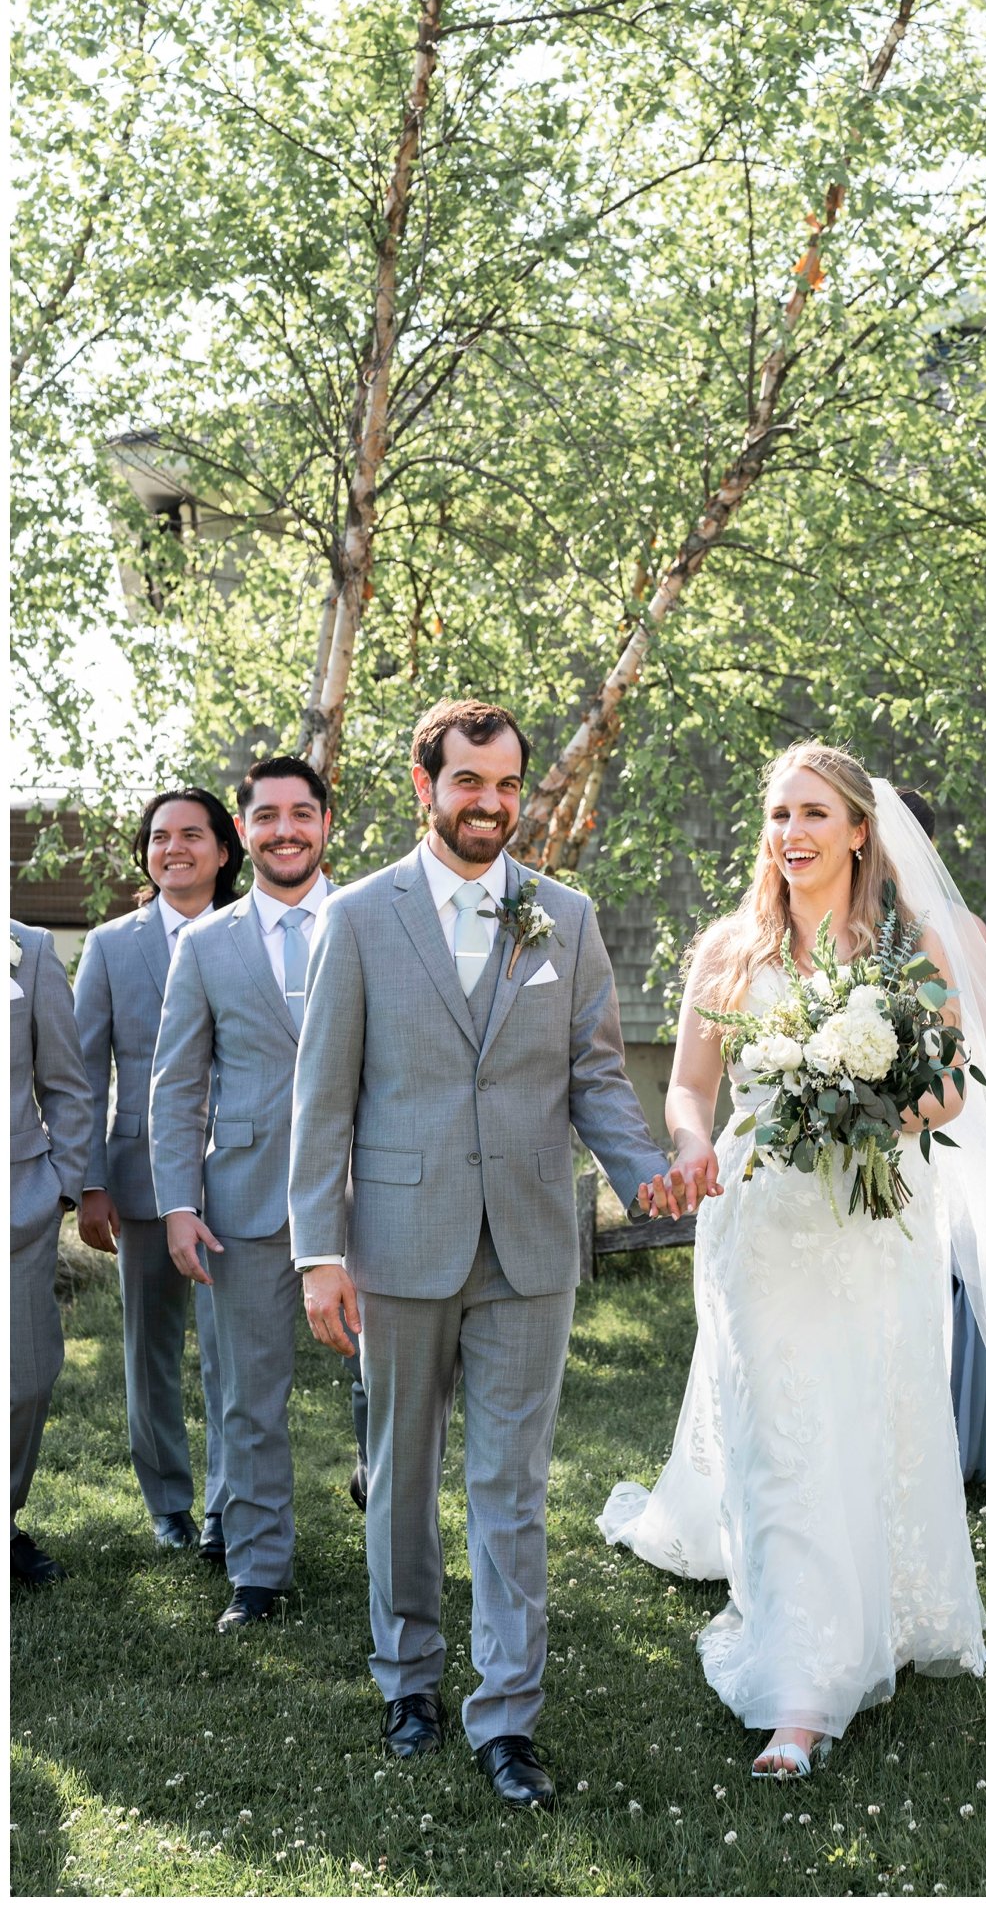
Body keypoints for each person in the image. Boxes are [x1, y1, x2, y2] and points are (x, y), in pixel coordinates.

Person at [600, 743, 986, 1777]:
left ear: (861, 830)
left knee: (869, 1415)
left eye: (814, 815)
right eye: (778, 815)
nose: (792, 835)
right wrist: (692, 1144)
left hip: (878, 1220)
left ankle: (888, 1606)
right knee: (779, 1428)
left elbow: (951, 1090)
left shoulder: (911, 951)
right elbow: (691, 1088)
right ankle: (802, 1682)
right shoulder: (728, 948)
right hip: (758, 1217)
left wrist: (898, 1095)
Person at [288, 699, 663, 1805]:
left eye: (507, 785)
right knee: (403, 1473)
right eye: (468, 783)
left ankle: (507, 1716)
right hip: (399, 1241)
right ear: (425, 785)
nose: (491, 805)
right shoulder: (358, 918)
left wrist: (644, 1174)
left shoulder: (567, 918)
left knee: (513, 1483)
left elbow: (595, 1076)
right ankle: (408, 1677)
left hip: (534, 1241)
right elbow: (324, 1102)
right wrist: (319, 1251)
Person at [150, 757, 334, 1630]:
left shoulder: (373, 920)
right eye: (267, 816)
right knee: (248, 1398)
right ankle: (258, 1572)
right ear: (245, 835)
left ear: (326, 825)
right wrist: (178, 1202)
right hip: (244, 1198)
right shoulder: (206, 944)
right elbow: (177, 1083)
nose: (285, 829)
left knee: (395, 1389)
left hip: (367, 1191)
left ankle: (395, 1524)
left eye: (302, 813)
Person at [72, 788, 240, 1560]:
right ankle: (168, 1500)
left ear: (223, 849)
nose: (175, 848)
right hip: (139, 1178)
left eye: (192, 835)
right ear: (147, 853)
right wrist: (91, 1181)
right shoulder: (110, 945)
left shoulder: (253, 933)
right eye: (160, 837)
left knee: (234, 1353)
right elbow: (82, 1071)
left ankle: (226, 1507)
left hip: (241, 1174)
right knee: (151, 1350)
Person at [897, 786, 986, 1482]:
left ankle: (940, 1441)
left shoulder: (931, 930)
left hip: (942, 1107)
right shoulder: (966, 925)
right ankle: (950, 1440)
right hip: (946, 1111)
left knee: (946, 1265)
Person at [11, 918, 93, 1588]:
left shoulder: (29, 950)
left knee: (26, 1376)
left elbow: (66, 1082)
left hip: (18, 1203)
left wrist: (60, 1186)